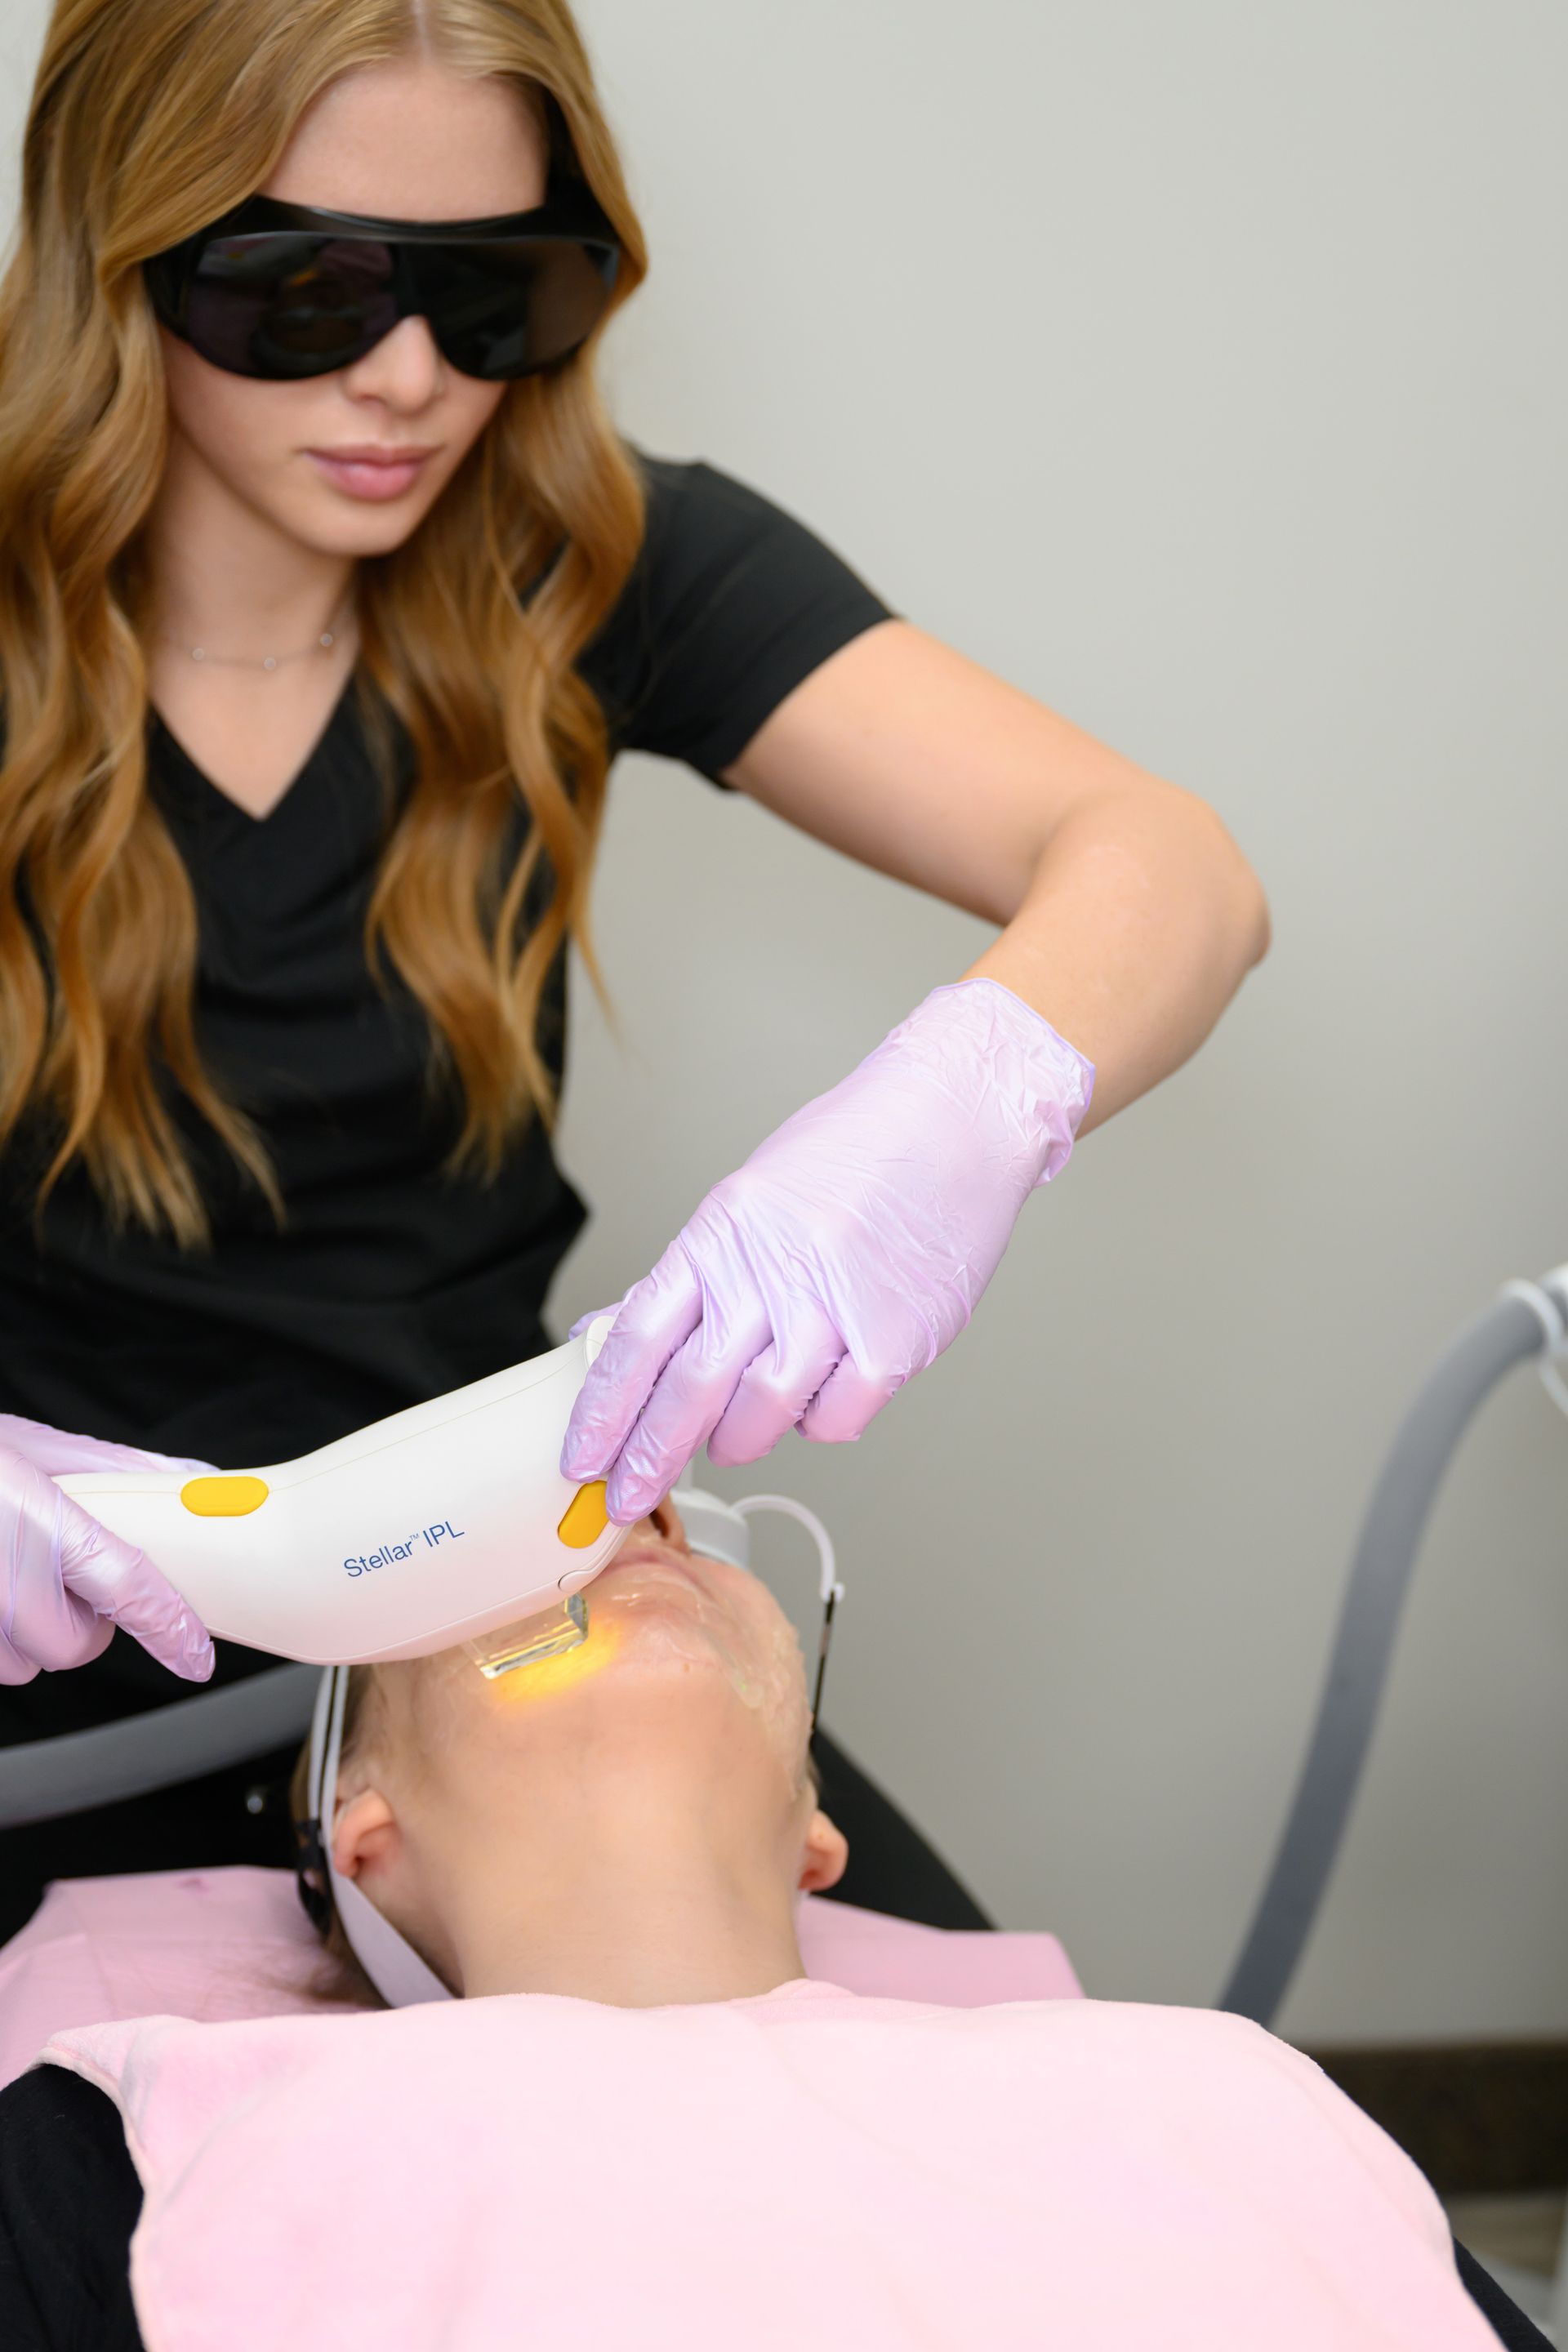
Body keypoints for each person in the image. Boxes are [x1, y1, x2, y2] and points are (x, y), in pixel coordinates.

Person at [0, 0, 1269, 1929]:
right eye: (306, 294)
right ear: (117, 256)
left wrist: (960, 1107)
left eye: (497, 293)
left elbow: (1170, 868)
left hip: (475, 1618)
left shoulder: (588, 561)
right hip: (47, 1636)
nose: (414, 382)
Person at [0, 1495, 1547, 2350]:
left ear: (819, 1828)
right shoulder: (159, 2128)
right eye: (501, 1574)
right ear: (367, 1840)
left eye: (671, 1534)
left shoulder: (1234, 2088)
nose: (635, 1526)